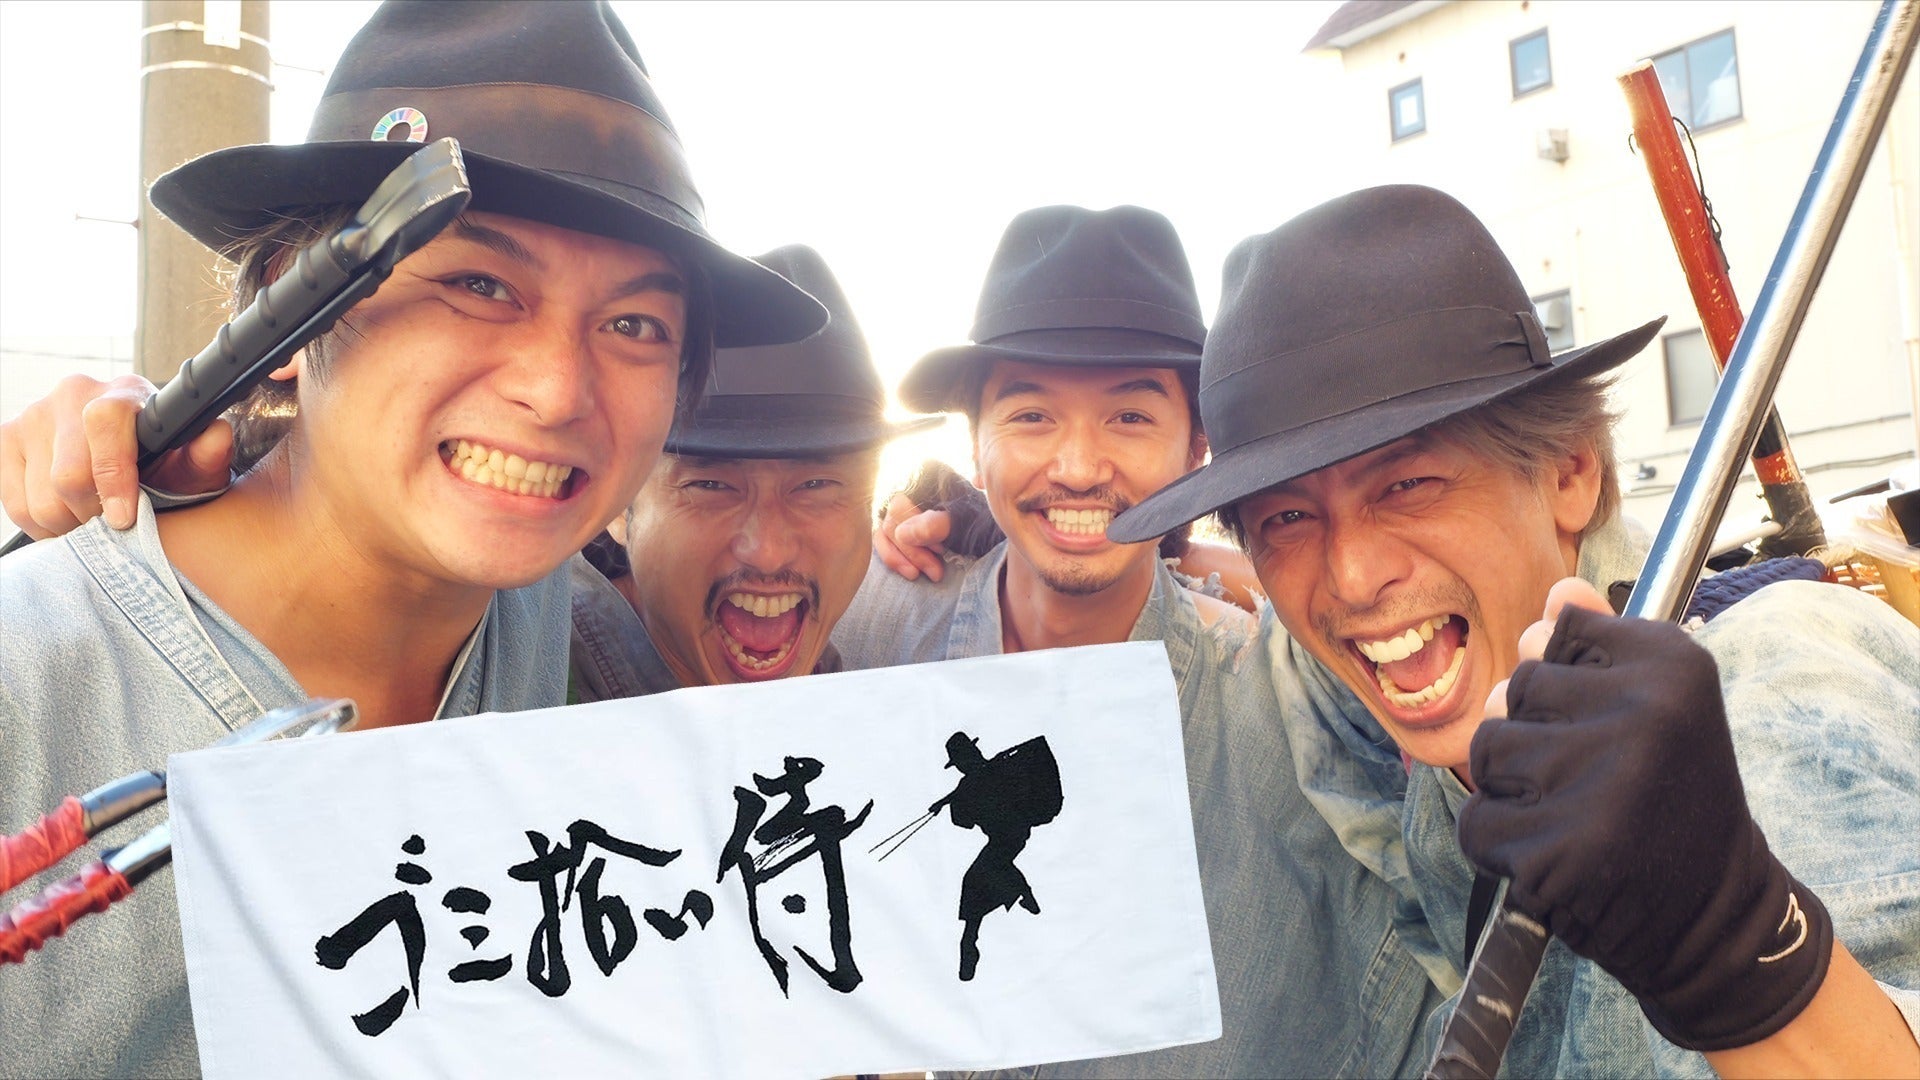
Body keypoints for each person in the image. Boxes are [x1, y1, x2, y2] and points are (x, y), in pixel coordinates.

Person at [0, 3, 823, 1075]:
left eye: (634, 325)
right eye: (478, 284)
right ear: (286, 312)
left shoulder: (540, 615)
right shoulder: (32, 679)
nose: (557, 390)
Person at [1107, 184, 1920, 1076]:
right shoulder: (1423, 706)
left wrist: (1738, 949)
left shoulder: (1772, 695)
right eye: (1286, 519)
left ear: (1569, 470)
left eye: (1408, 485)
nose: (1351, 577)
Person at [832, 204, 1444, 1078]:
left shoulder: (1286, 714)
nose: (1079, 467)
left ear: (1197, 447)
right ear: (975, 439)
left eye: (1129, 417)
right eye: (1031, 415)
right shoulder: (866, 630)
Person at [570, 244, 939, 697]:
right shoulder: (529, 691)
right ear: (617, 503)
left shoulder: (858, 697)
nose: (768, 552)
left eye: (817, 485)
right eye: (710, 485)